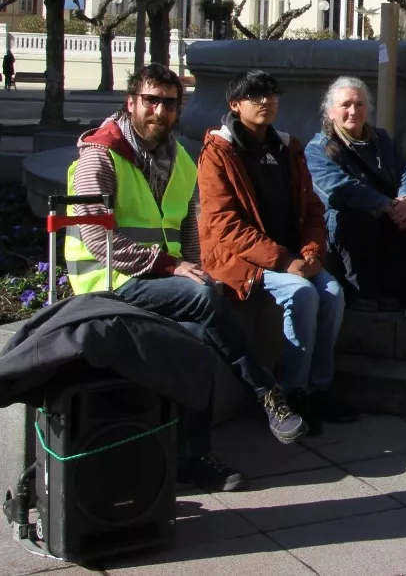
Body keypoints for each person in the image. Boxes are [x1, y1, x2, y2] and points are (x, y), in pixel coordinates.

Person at [64, 63, 304, 493]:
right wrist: (173, 268)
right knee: (202, 298)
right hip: (106, 283)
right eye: (150, 100)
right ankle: (264, 391)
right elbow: (99, 241)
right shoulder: (99, 156)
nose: (160, 111)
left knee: (196, 341)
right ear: (131, 103)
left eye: (170, 103)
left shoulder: (179, 159)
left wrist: (193, 268)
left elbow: (190, 234)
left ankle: (192, 459)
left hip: (158, 285)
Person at [199, 69, 356, 435]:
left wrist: (312, 251)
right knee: (302, 294)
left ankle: (318, 388)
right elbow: (223, 225)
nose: (266, 102)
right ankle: (290, 391)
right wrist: (285, 261)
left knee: (333, 294)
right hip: (243, 259)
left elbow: (312, 209)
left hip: (294, 255)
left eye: (271, 95)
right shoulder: (218, 152)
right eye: (255, 96)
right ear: (235, 105)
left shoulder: (287, 147)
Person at [306, 75, 406, 318]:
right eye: (345, 105)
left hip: (389, 215)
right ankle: (362, 293)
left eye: (359, 104)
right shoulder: (317, 149)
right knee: (353, 219)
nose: (353, 111)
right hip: (349, 222)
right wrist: (386, 205)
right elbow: (340, 188)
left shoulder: (381, 139)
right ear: (330, 112)